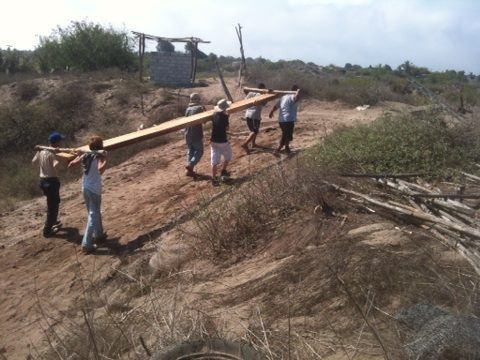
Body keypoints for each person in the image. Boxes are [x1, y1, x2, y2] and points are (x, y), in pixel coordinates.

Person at [68, 136, 107, 254]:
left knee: (93, 212)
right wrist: (105, 159)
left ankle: (99, 234)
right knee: (93, 214)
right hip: (94, 189)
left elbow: (71, 164)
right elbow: (100, 170)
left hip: (85, 187)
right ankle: (86, 243)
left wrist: (77, 156)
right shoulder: (98, 156)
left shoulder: (85, 155)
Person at [32, 131, 65, 237]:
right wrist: (61, 158)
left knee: (52, 202)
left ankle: (54, 222)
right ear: (57, 142)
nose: (61, 142)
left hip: (42, 181)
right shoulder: (52, 153)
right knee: (53, 206)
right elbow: (56, 165)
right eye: (60, 141)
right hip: (51, 182)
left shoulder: (41, 151)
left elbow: (33, 161)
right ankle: (47, 231)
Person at [269, 85, 301, 154]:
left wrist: (271, 112)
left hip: (281, 120)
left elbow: (276, 106)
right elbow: (297, 97)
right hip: (288, 120)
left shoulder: (283, 97)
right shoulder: (292, 96)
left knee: (285, 134)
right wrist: (298, 91)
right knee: (286, 135)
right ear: (294, 90)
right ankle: (280, 149)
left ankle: (284, 148)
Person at [210, 99, 232, 186]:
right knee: (228, 156)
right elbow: (227, 129)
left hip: (213, 140)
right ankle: (223, 171)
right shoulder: (225, 116)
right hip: (222, 141)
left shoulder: (214, 114)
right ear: (225, 108)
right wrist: (227, 117)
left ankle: (214, 179)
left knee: (214, 160)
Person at [184, 93, 206, 177]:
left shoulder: (188, 109)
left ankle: (189, 171)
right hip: (195, 133)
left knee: (191, 151)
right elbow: (204, 121)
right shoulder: (199, 108)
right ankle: (190, 165)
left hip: (187, 133)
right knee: (199, 151)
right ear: (197, 99)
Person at [241, 83, 266, 152]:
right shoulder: (262, 95)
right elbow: (264, 104)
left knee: (253, 131)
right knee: (255, 131)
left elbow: (245, 101)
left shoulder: (251, 93)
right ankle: (245, 144)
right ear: (262, 88)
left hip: (248, 114)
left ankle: (253, 144)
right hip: (255, 115)